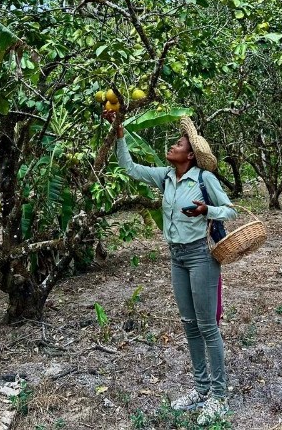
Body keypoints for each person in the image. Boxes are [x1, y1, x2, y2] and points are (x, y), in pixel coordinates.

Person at [103, 110, 236, 426]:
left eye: (178, 144)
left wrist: (207, 209)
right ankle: (201, 389)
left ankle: (219, 397)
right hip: (176, 256)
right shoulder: (164, 176)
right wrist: (119, 132)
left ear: (190, 155)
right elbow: (129, 168)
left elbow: (230, 211)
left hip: (201, 256)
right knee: (189, 324)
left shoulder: (204, 179)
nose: (172, 147)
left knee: (207, 326)